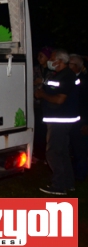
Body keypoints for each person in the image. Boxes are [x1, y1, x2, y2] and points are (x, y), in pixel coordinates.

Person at [35, 49, 80, 195]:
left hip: (60, 120)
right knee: (62, 153)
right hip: (59, 119)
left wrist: (42, 94)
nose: (50, 61)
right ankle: (68, 183)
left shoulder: (66, 76)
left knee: (53, 153)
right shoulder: (60, 75)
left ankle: (58, 186)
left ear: (60, 61)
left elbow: (60, 99)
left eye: (52, 58)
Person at [33, 46, 55, 161]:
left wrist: (42, 82)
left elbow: (54, 85)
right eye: (38, 56)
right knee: (38, 129)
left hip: (48, 104)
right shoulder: (35, 69)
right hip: (36, 104)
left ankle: (46, 154)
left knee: (47, 130)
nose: (38, 58)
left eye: (41, 56)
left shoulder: (54, 71)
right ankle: (38, 153)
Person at [68, 54, 88, 181]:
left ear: (76, 66)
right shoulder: (70, 79)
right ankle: (74, 173)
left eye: (69, 63)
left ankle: (80, 175)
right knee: (73, 149)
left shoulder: (85, 81)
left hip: (82, 122)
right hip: (73, 120)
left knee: (81, 150)